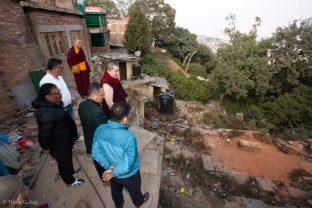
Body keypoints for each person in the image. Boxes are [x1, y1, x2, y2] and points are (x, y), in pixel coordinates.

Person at [92, 101, 149, 208]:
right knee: (135, 191)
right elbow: (128, 164)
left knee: (115, 190)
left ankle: (119, 206)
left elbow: (95, 153)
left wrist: (110, 169)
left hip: (112, 172)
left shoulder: (100, 129)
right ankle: (139, 203)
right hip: (129, 175)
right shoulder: (129, 137)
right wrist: (113, 172)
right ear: (124, 120)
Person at [32, 83, 84, 187]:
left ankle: (71, 172)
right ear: (47, 96)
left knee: (67, 160)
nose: (60, 94)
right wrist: (47, 147)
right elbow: (44, 135)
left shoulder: (52, 104)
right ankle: (69, 180)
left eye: (59, 91)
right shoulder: (45, 114)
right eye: (57, 93)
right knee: (64, 163)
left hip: (65, 142)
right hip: (59, 146)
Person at [78, 82, 107, 178]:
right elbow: (105, 131)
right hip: (98, 143)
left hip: (89, 139)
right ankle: (107, 177)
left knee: (97, 161)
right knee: (103, 163)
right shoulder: (97, 112)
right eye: (102, 95)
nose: (103, 98)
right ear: (94, 95)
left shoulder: (81, 105)